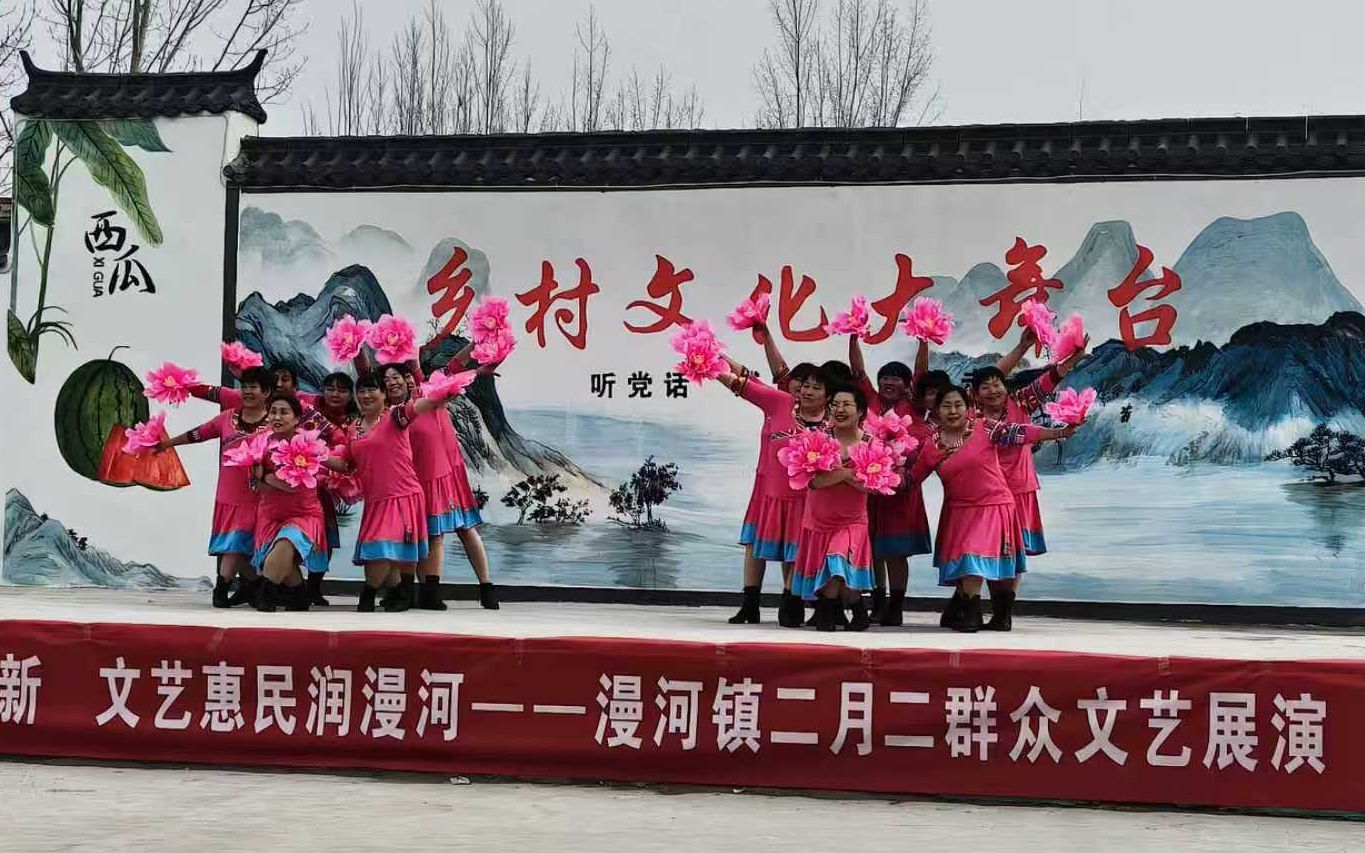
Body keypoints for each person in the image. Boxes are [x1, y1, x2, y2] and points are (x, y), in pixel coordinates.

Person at [907, 386, 1077, 632]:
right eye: (946, 406)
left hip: (994, 506)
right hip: (958, 512)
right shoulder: (931, 445)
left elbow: (1020, 433)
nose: (953, 411)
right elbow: (912, 479)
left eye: (958, 405)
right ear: (936, 411)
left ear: (968, 408)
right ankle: (971, 611)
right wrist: (875, 475)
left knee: (975, 556)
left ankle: (995, 615)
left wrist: (1059, 432)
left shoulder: (985, 427)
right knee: (968, 559)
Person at [328, 370, 466, 613]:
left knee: (388, 546)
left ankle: (373, 594)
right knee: (380, 549)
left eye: (372, 390)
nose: (366, 395)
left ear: (384, 394)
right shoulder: (353, 429)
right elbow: (347, 465)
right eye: (361, 391)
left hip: (403, 495)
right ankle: (397, 593)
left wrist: (445, 393)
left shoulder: (395, 417)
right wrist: (313, 457)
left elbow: (421, 405)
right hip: (375, 500)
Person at [717, 360, 830, 627]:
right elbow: (742, 382)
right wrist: (709, 360)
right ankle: (750, 604)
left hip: (809, 500)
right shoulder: (780, 403)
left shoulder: (834, 421)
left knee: (798, 550)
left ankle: (794, 600)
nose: (806, 391)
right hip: (770, 492)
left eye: (816, 387)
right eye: (804, 385)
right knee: (755, 545)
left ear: (829, 395)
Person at [158, 366, 274, 608]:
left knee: (250, 546)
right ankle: (226, 589)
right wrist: (168, 443)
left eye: (253, 387)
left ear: (266, 392)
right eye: (245, 387)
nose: (247, 392)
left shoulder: (275, 423)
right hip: (231, 494)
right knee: (234, 544)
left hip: (263, 496)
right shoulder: (227, 418)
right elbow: (198, 434)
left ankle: (249, 587)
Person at [848, 335, 933, 624]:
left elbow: (921, 373)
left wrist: (924, 341)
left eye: (896, 378)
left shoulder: (914, 406)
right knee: (873, 548)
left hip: (901, 491)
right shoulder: (870, 402)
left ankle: (895, 607)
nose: (889, 382)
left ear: (907, 386)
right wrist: (854, 337)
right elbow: (858, 371)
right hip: (870, 490)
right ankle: (878, 602)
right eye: (885, 377)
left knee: (896, 552)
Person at [791, 385, 875, 632]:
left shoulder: (871, 443)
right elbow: (813, 482)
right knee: (837, 571)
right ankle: (858, 610)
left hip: (852, 521)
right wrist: (849, 473)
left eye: (846, 404)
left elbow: (872, 487)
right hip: (819, 519)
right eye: (835, 404)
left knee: (837, 562)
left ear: (860, 411)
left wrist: (837, 474)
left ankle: (827, 611)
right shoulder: (817, 439)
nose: (840, 409)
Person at [250, 394, 333, 613]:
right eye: (273, 412)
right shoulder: (260, 443)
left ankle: (265, 595)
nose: (277, 417)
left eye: (284, 412)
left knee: (287, 541)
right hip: (270, 515)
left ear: (296, 419)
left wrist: (265, 476)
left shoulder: (308, 444)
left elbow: (293, 486)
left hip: (303, 515)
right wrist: (261, 479)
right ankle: (299, 595)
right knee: (276, 559)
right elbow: (257, 486)